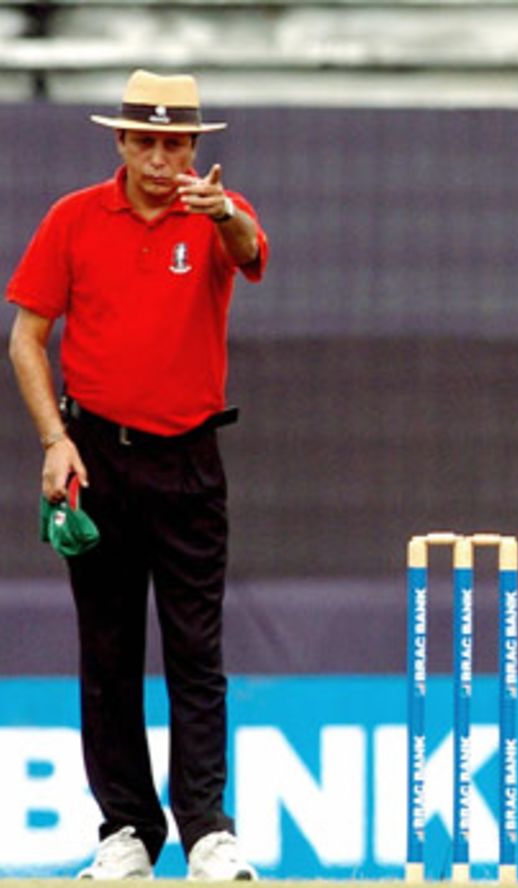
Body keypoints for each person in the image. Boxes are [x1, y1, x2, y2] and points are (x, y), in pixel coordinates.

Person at [6, 69, 269, 880]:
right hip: (97, 458)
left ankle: (207, 832)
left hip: (188, 459)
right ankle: (126, 829)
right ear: (121, 141)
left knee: (196, 651)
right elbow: (26, 338)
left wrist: (223, 215)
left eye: (175, 144)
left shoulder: (217, 212)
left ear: (193, 148)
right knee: (108, 652)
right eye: (146, 142)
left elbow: (249, 251)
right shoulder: (74, 218)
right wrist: (55, 441)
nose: (160, 160)